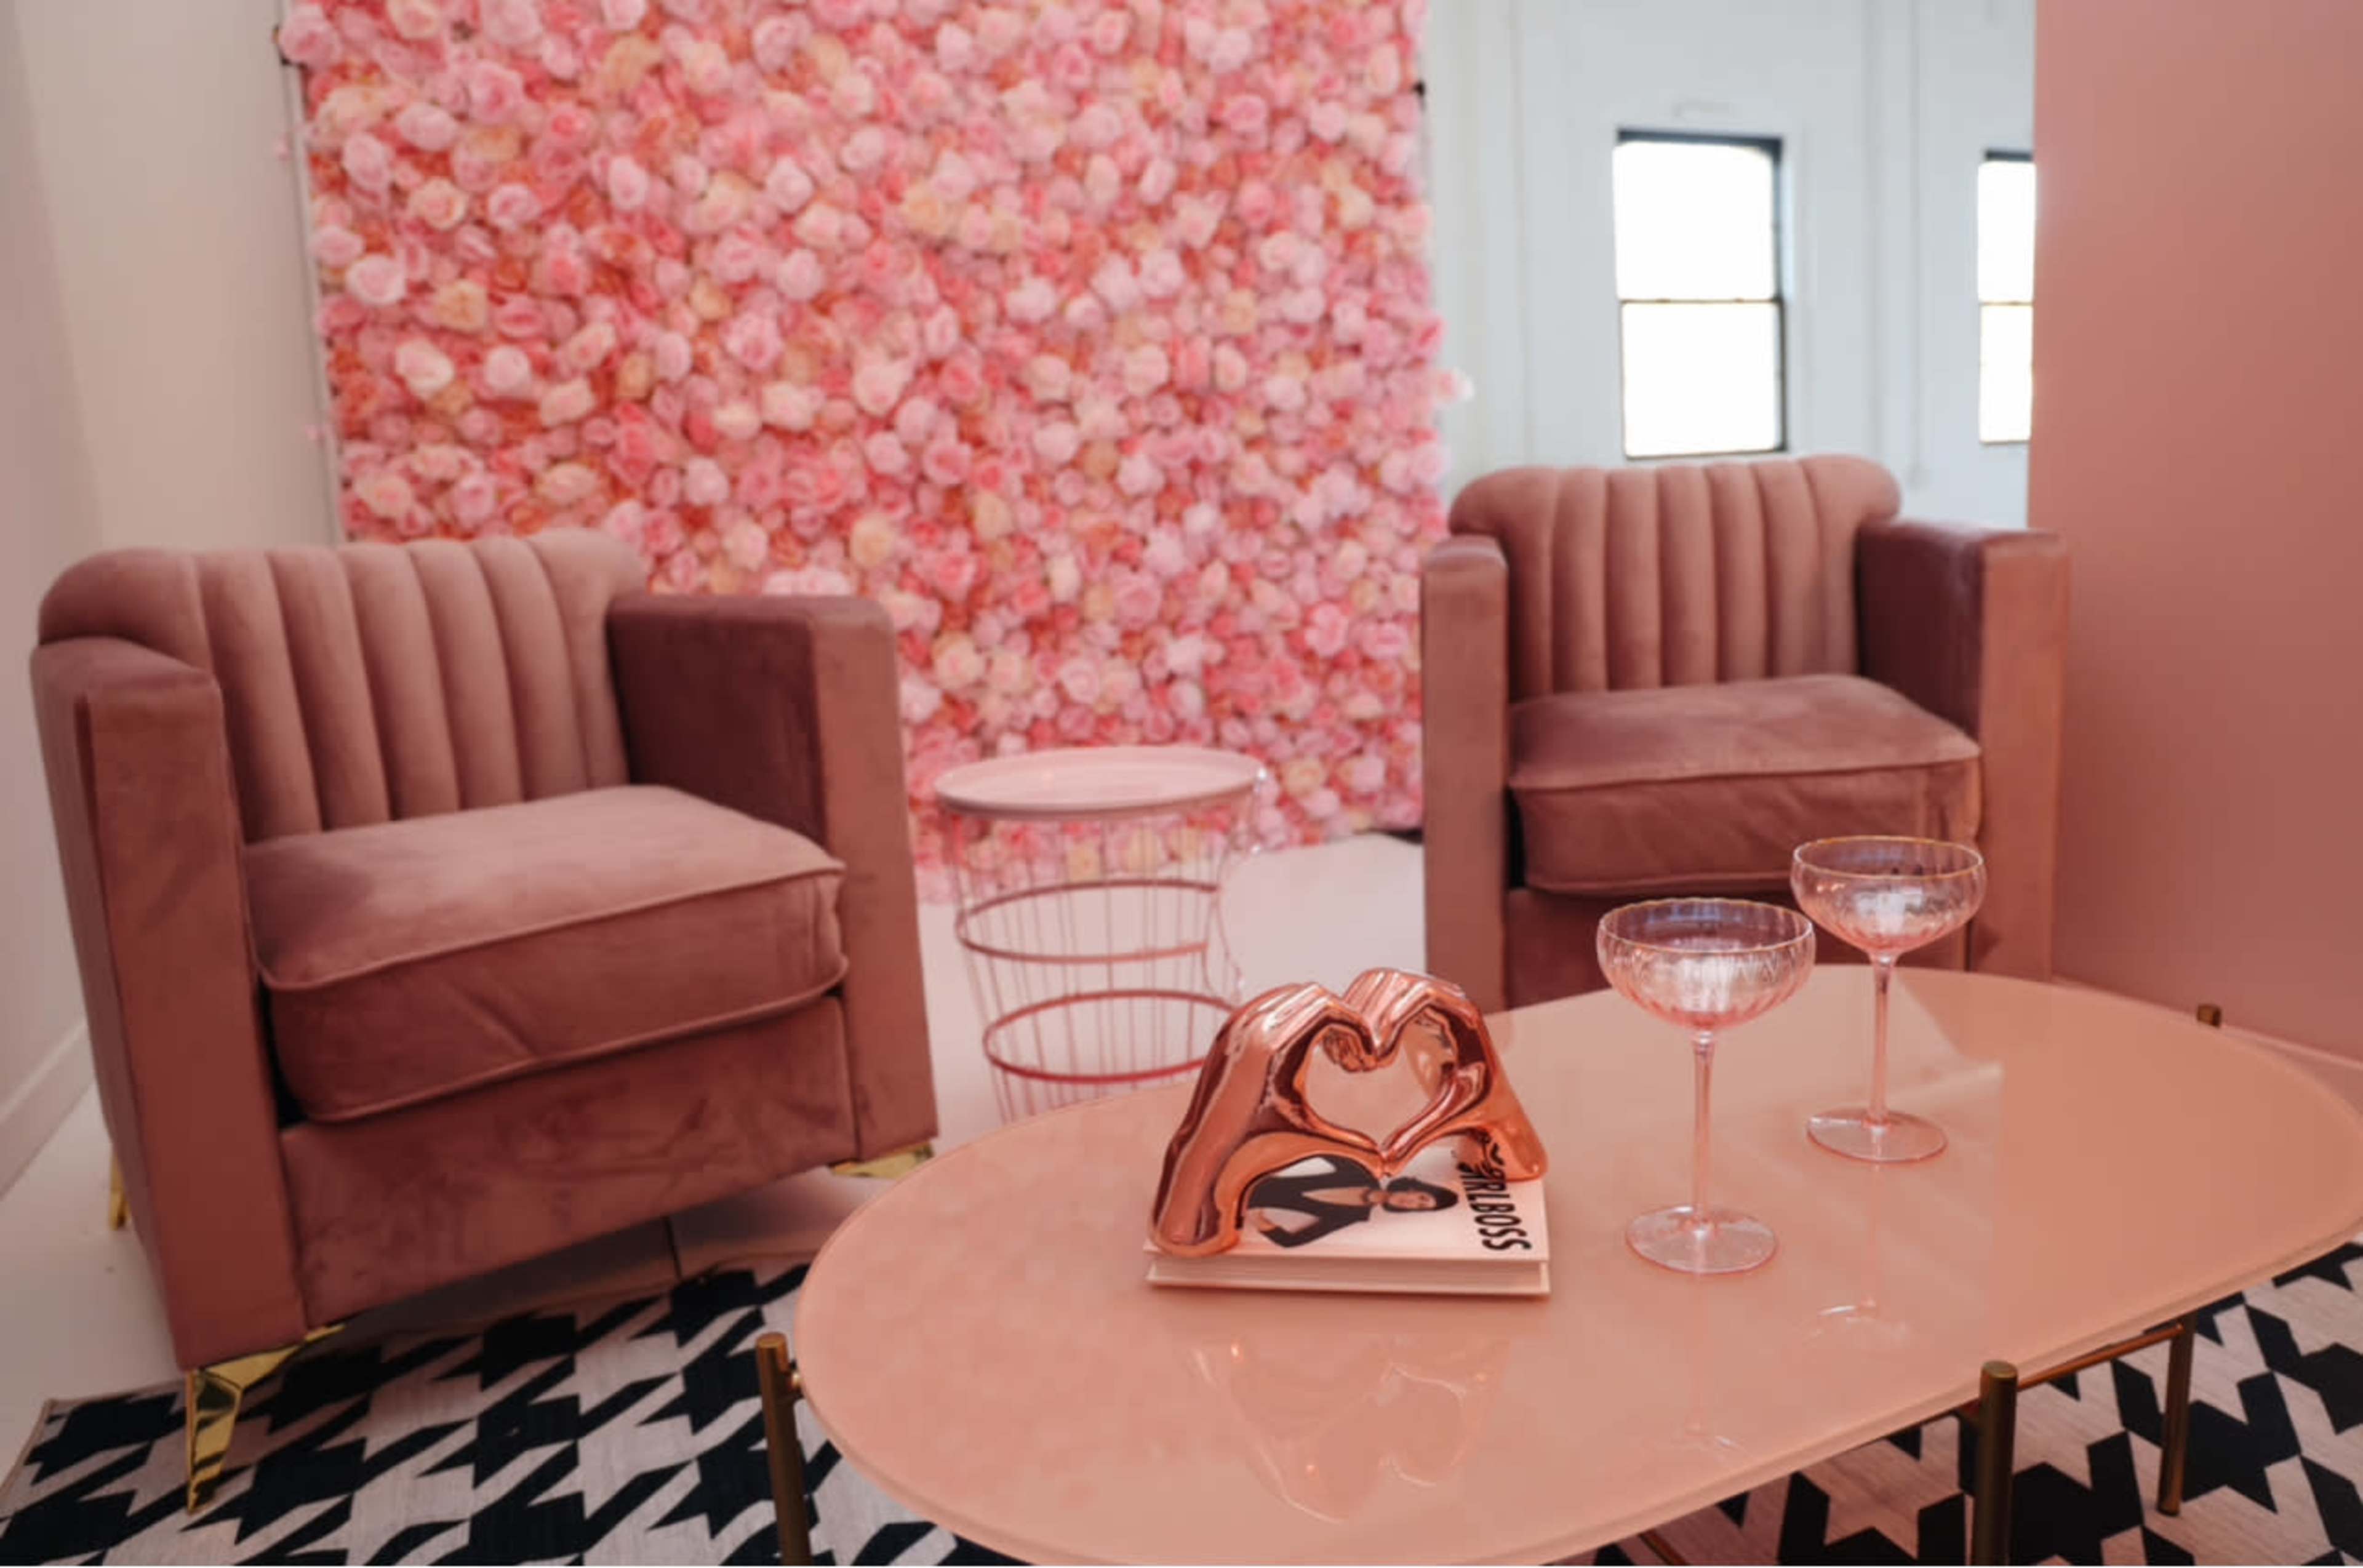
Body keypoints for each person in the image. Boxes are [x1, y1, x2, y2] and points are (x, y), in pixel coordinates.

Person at [1244, 1154, 1458, 1249]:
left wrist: (1260, 1220)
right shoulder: (1362, 1174)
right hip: (1249, 1174)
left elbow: (1291, 1242)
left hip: (1239, 1206)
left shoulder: (1353, 1216)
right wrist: (1274, 1164)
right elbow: (1318, 1147)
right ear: (1415, 1188)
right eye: (1421, 1197)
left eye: (1420, 1208)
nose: (1412, 1203)